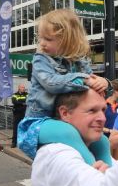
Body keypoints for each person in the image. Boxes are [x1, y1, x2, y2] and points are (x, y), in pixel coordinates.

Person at [17, 9, 112, 163]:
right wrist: (84, 80)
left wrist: (103, 83)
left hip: (69, 120)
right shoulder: (41, 59)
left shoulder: (80, 63)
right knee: (69, 133)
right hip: (39, 122)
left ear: (68, 40)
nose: (42, 43)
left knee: (102, 141)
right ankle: (92, 170)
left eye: (48, 39)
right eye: (40, 38)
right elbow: (51, 82)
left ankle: (111, 174)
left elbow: (95, 90)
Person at [11, 84, 28, 148]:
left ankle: (24, 143)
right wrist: (23, 103)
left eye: (24, 87)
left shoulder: (26, 94)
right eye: (22, 87)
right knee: (15, 128)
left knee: (25, 128)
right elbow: (14, 101)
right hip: (17, 114)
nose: (23, 88)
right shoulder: (15, 94)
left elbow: (28, 101)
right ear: (19, 88)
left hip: (25, 113)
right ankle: (14, 142)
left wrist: (19, 103)